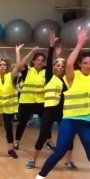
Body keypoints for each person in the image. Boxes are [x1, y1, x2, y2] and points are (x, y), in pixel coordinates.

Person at [33, 25, 90, 179]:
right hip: (70, 120)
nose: (88, 65)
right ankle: (40, 178)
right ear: (80, 64)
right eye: (85, 63)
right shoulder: (71, 76)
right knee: (60, 150)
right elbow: (69, 63)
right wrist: (80, 43)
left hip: (88, 122)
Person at [26, 32, 76, 169]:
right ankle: (33, 160)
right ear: (54, 67)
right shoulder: (49, 77)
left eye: (62, 66)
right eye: (58, 66)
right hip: (49, 110)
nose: (60, 68)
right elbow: (49, 63)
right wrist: (51, 46)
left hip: (63, 112)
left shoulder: (68, 79)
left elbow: (69, 64)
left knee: (68, 136)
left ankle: (69, 160)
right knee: (42, 136)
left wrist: (62, 56)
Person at [12, 45, 47, 150]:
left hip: (40, 102)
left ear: (44, 62)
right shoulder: (28, 70)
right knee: (22, 123)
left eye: (42, 60)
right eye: (37, 60)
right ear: (34, 61)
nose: (39, 62)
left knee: (46, 122)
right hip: (26, 101)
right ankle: (17, 141)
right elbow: (20, 64)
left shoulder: (46, 72)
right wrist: (32, 51)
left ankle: (49, 141)